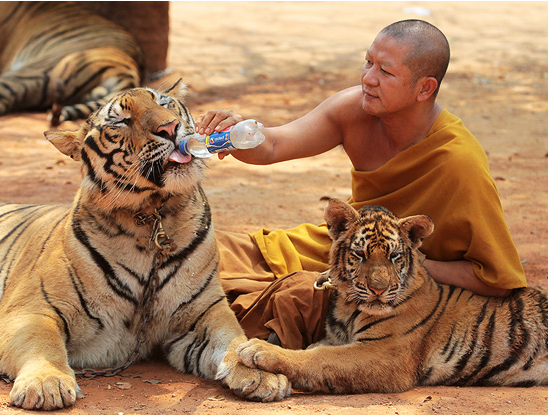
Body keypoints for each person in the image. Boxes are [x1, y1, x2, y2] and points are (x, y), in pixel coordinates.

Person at [196, 19, 527, 350]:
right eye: (368, 62)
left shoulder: (459, 162)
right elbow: (273, 146)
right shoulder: (354, 110)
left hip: (382, 286)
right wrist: (238, 134)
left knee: (289, 298)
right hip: (338, 251)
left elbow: (496, 281)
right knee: (199, 254)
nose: (368, 78)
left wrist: (409, 263)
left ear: (424, 88)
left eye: (385, 71)